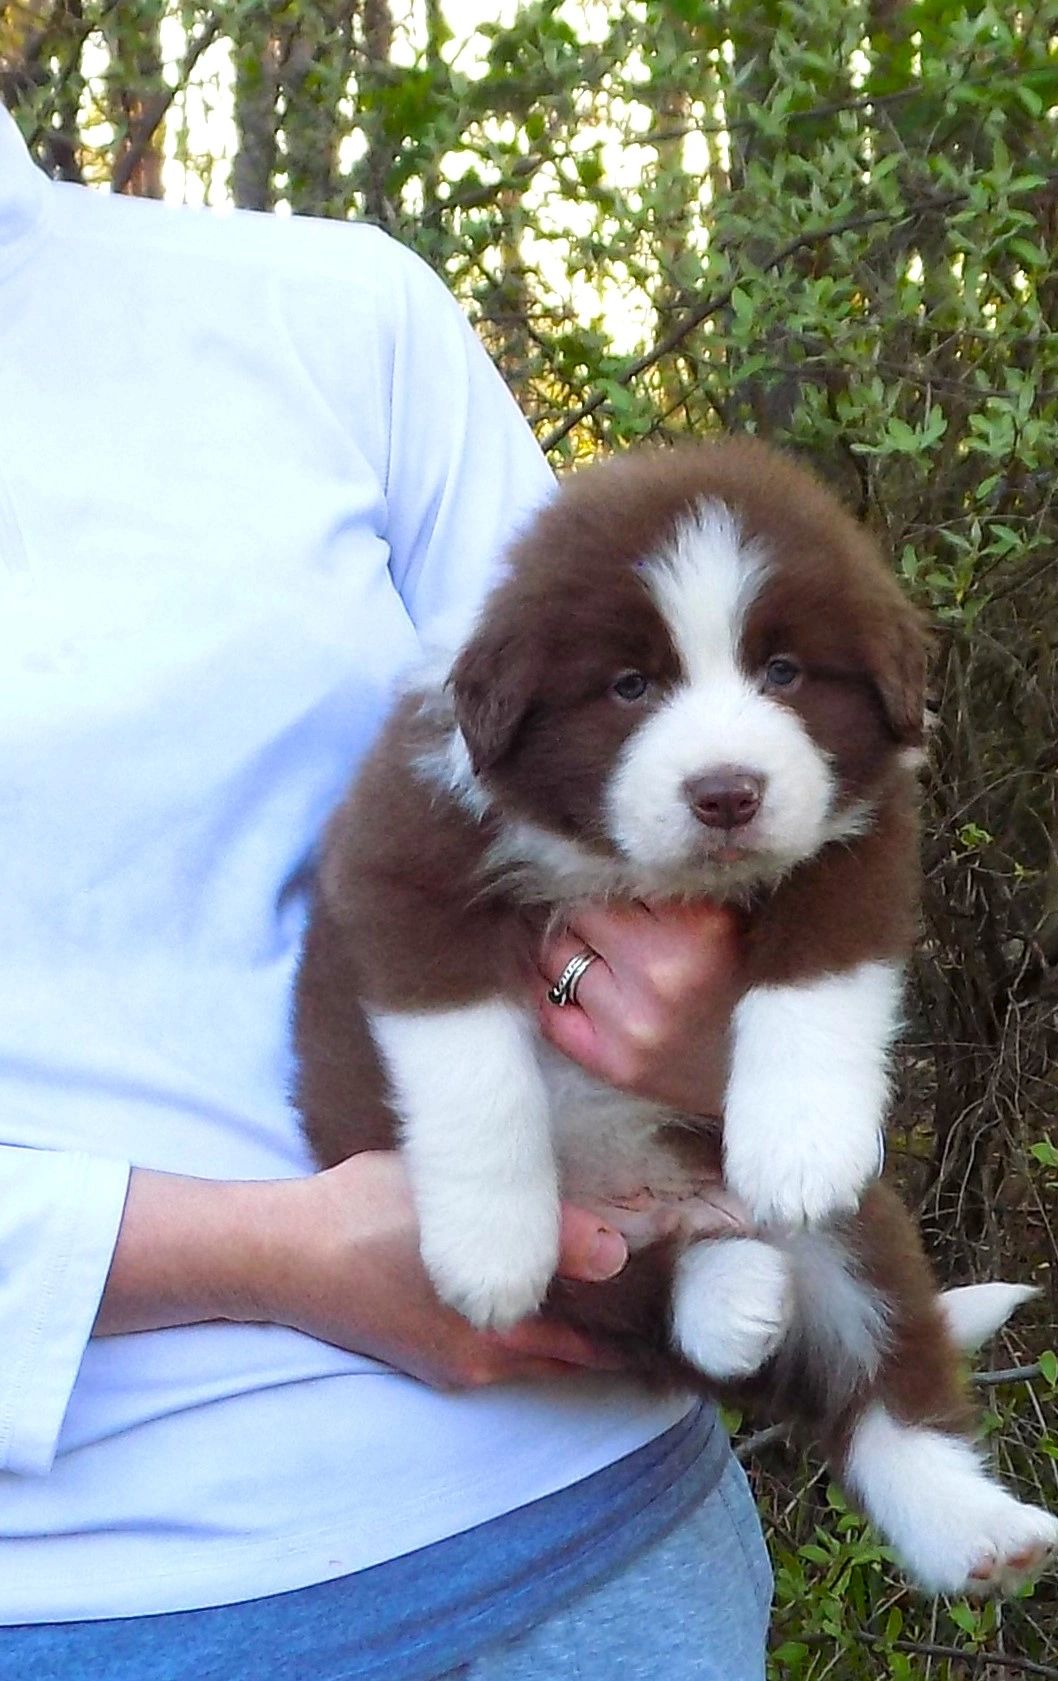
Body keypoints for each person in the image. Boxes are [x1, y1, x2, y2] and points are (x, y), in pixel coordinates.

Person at [0, 101, 771, 1679]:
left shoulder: (333, 316)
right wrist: (268, 1250)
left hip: (599, 1540)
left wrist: (706, 1029)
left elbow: (641, 834)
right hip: (91, 1608)